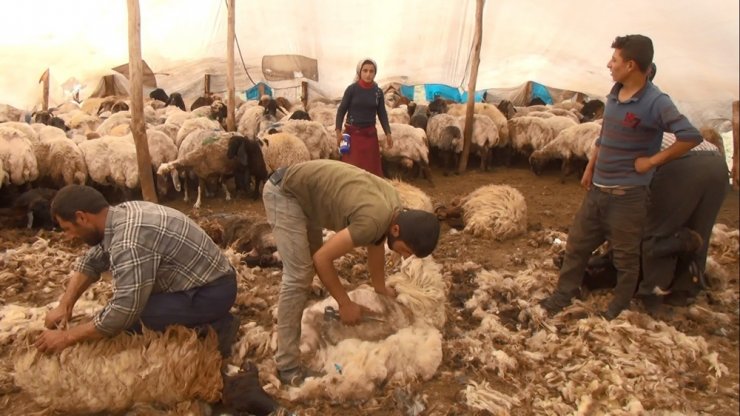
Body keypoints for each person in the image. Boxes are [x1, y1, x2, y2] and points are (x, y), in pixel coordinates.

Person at [540, 34, 702, 320]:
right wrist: (591, 167)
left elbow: (690, 136)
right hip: (598, 192)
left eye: (614, 60)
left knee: (626, 257)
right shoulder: (614, 94)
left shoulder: (656, 102)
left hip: (628, 197)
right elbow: (604, 135)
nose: (608, 64)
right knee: (577, 244)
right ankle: (563, 294)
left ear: (630, 64)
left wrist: (652, 161)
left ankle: (617, 307)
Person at [262, 159, 440, 386]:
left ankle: (303, 315)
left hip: (307, 197)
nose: (405, 257)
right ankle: (288, 366)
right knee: (299, 275)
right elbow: (322, 259)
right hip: (285, 193)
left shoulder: (393, 208)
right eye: (406, 250)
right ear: (396, 230)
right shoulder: (374, 218)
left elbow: (376, 242)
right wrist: (345, 303)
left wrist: (379, 288)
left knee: (309, 265)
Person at [35, 185, 239, 356]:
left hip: (212, 292)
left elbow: (123, 311)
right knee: (117, 314)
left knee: (130, 322)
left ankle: (217, 327)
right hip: (200, 280)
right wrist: (65, 305)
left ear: (81, 217)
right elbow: (92, 261)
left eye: (68, 229)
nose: (69, 237)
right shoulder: (120, 214)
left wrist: (67, 337)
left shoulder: (128, 241)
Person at [335, 58, 392, 177]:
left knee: (371, 171)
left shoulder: (378, 92)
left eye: (371, 71)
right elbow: (341, 110)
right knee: (351, 171)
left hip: (370, 136)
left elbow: (382, 113)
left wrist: (388, 133)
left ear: (375, 73)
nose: (368, 74)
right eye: (365, 70)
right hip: (353, 135)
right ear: (359, 72)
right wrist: (338, 130)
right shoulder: (352, 89)